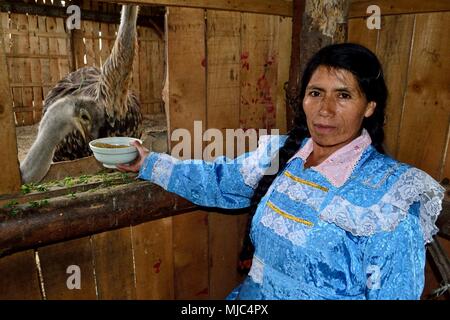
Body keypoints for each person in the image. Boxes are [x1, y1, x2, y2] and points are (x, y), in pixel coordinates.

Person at [117, 43, 444, 300]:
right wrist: (147, 163)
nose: (325, 109)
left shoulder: (391, 199)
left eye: (343, 95)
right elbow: (219, 180)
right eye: (316, 93)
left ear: (369, 106)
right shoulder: (281, 153)